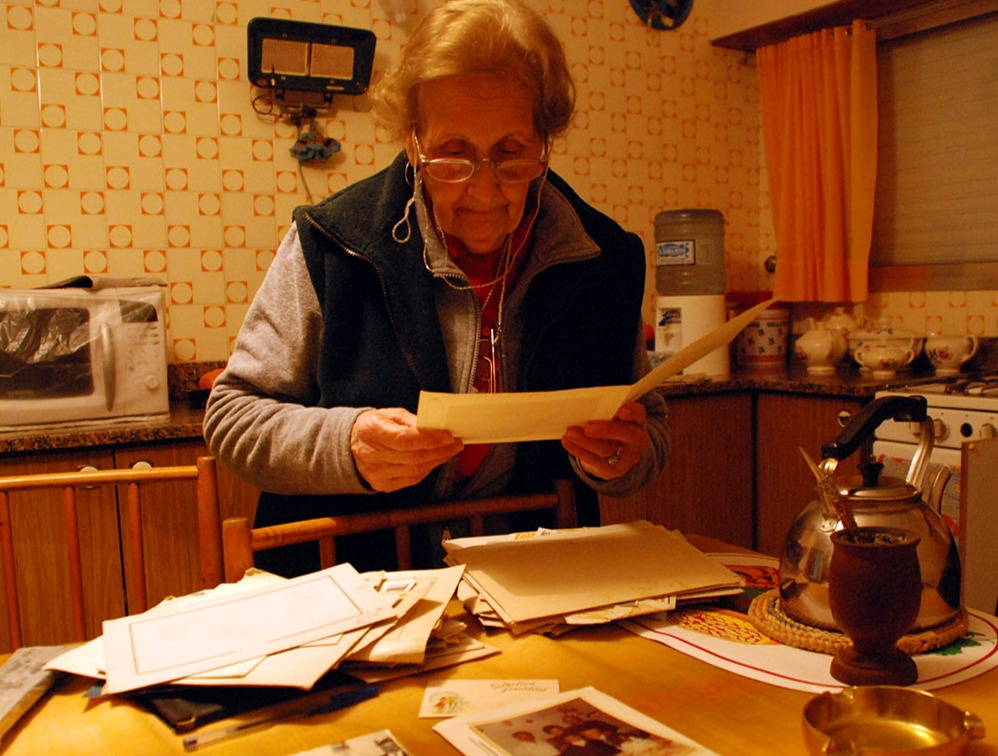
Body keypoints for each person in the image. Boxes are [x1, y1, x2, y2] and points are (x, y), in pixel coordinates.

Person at [203, 0, 669, 577]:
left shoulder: (602, 258)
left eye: (510, 154)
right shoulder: (334, 241)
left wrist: (622, 457)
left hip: (540, 581)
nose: (483, 190)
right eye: (453, 156)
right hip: (361, 584)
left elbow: (648, 425)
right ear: (414, 142)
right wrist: (344, 444)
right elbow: (231, 417)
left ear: (544, 143)